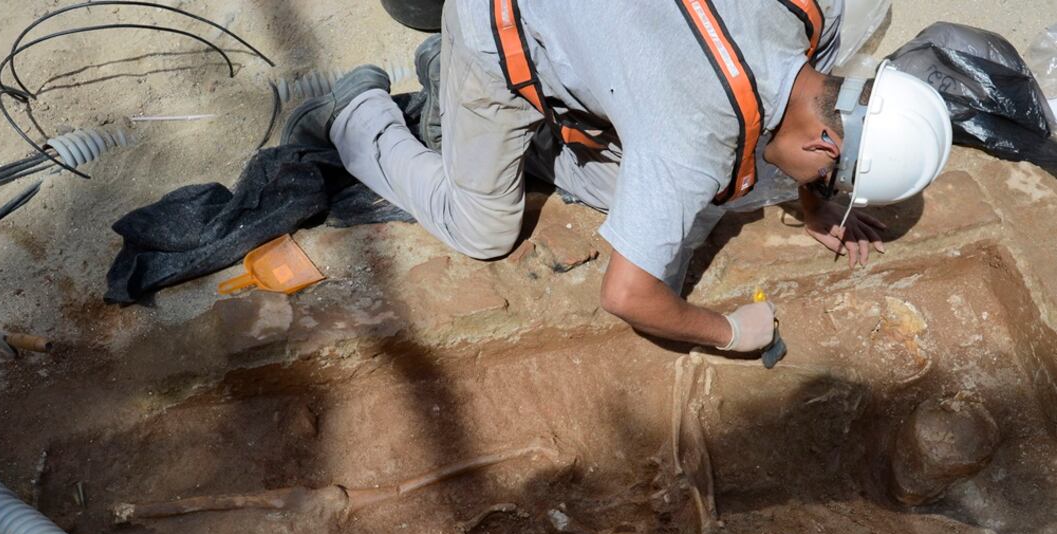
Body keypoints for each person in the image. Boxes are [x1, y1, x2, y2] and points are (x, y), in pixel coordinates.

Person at [284, 0, 951, 353]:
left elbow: (812, 114)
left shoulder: (811, 10)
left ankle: (463, 90)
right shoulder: (690, 137)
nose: (818, 186)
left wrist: (811, 203)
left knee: (666, 189)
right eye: (828, 178)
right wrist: (728, 331)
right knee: (480, 227)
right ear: (827, 141)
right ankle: (352, 113)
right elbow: (629, 296)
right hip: (501, 21)